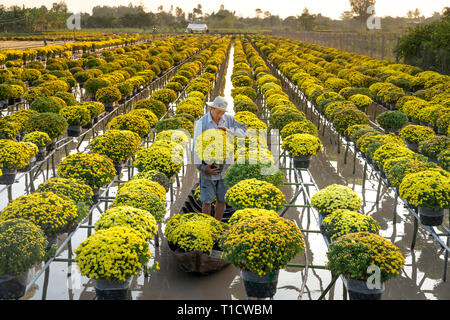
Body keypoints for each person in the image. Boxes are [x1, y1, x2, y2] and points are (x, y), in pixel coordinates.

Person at [192, 96, 247, 221]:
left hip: (226, 166)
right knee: (207, 199)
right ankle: (207, 227)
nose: (220, 115)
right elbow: (195, 146)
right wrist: (202, 167)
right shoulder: (202, 122)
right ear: (211, 108)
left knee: (222, 198)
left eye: (223, 112)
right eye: (218, 112)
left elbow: (244, 132)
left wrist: (229, 130)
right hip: (209, 166)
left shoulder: (229, 119)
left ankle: (217, 225)